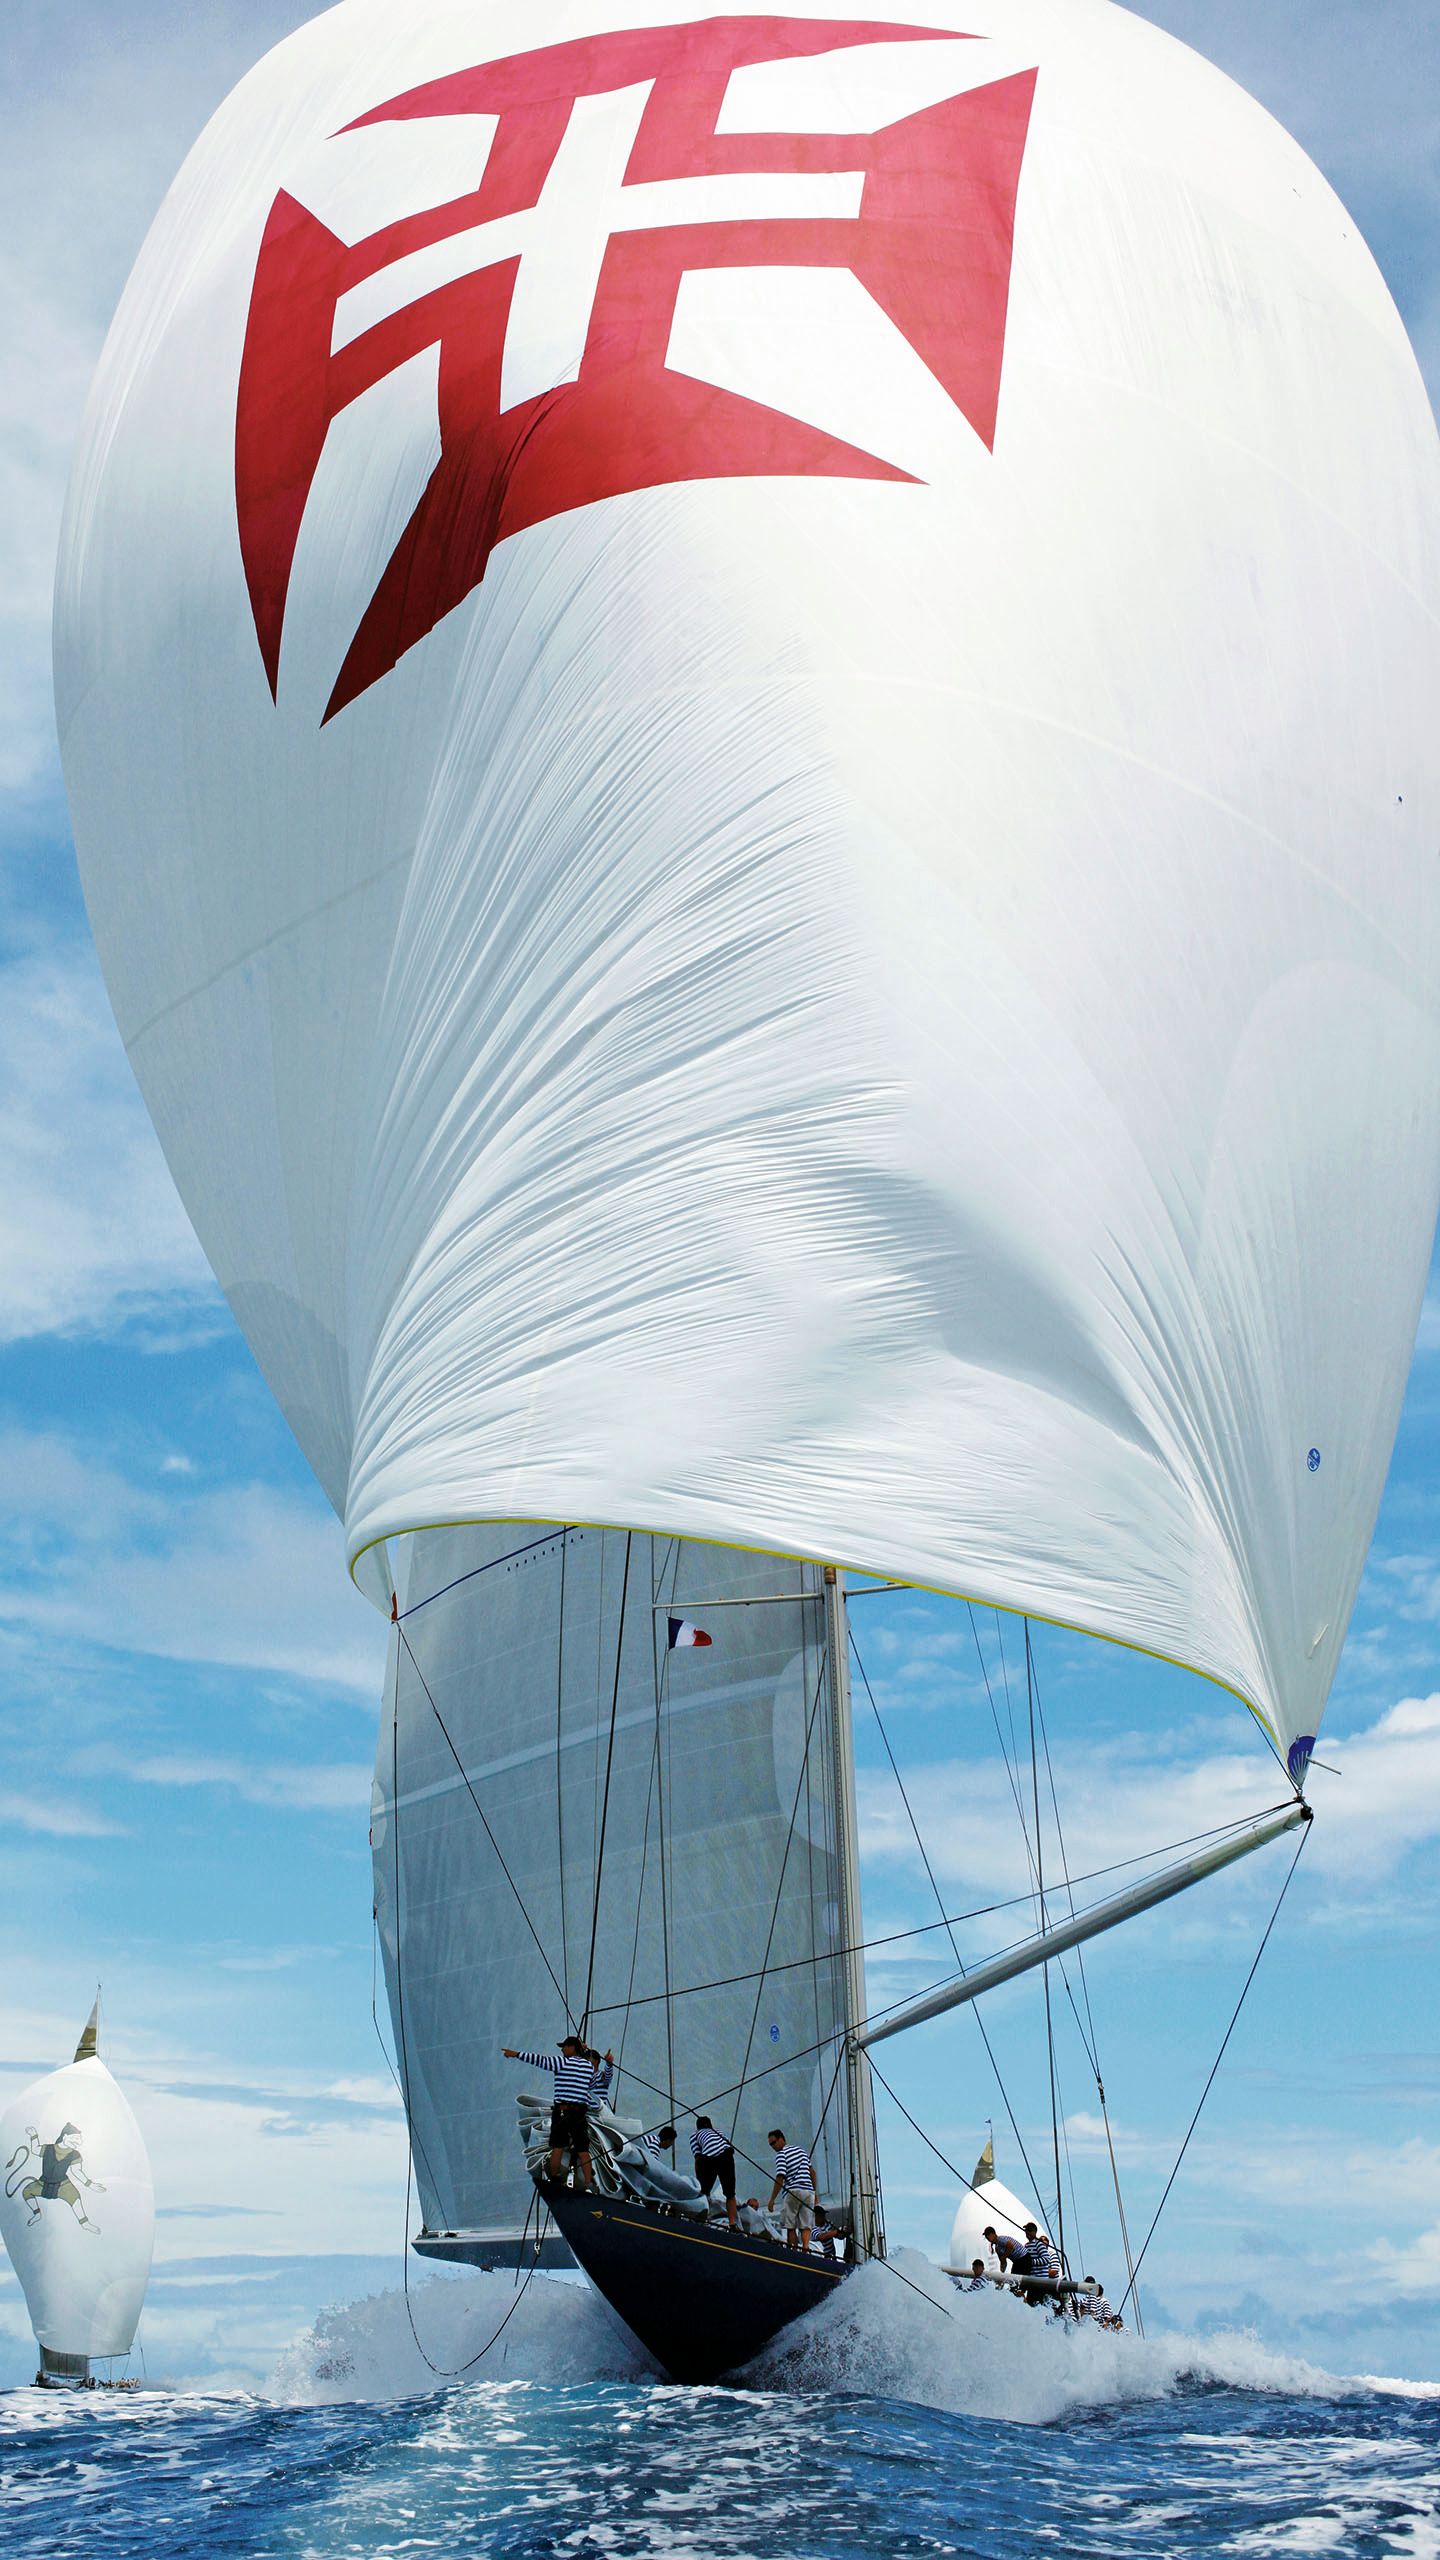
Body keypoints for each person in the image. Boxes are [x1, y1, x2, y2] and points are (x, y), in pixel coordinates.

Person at [503, 2036, 596, 2189]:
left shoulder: (562, 2062)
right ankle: (588, 2182)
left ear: (572, 2047)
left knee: (557, 2146)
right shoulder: (588, 2066)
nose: (562, 2050)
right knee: (583, 2150)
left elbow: (540, 2060)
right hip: (579, 2114)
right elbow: (591, 2084)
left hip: (562, 2112)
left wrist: (516, 2054)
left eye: (564, 2046)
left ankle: (554, 2179)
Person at [766, 2128, 816, 2251]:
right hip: (808, 2192)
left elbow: (780, 2176)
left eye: (774, 2142)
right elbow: (812, 2172)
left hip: (793, 2191)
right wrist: (814, 2192)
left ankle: (793, 2252)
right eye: (770, 2144)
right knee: (806, 2225)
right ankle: (805, 2249)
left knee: (790, 2225)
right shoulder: (801, 2150)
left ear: (781, 2139)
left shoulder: (781, 2154)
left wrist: (772, 2199)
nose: (773, 2146)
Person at [690, 2117, 738, 2229]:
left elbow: (697, 2158)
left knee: (704, 2192)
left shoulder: (694, 2135)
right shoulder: (717, 2130)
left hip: (708, 2158)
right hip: (726, 2155)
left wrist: (699, 2179)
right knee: (730, 2193)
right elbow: (726, 2143)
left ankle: (701, 2220)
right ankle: (732, 2224)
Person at [585, 2048, 615, 2115]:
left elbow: (608, 2076)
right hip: (585, 2112)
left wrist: (609, 2064)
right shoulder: (583, 2076)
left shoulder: (601, 2075)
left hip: (598, 2114)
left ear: (596, 2061)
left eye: (587, 2059)